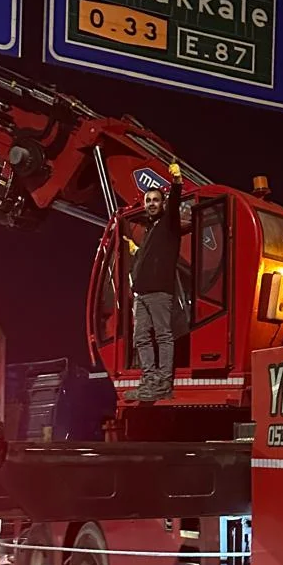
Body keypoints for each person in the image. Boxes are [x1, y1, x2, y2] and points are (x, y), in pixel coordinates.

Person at [126, 161, 186, 403]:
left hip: (159, 292)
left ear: (162, 204)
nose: (151, 203)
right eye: (148, 200)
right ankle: (149, 381)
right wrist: (136, 251)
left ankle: (163, 383)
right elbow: (150, 254)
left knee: (163, 336)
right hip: (142, 294)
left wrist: (177, 182)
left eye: (155, 200)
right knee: (141, 337)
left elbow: (175, 203)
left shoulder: (169, 223)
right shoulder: (151, 230)